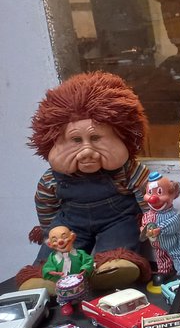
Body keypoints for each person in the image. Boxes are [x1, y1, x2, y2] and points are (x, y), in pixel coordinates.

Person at [16, 72, 152, 292]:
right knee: (58, 252)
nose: (87, 150)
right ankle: (46, 278)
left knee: (120, 241)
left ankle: (110, 268)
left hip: (117, 220)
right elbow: (45, 203)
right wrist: (50, 230)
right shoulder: (53, 178)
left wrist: (150, 221)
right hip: (71, 223)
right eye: (76, 140)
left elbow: (147, 195)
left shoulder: (126, 171)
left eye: (96, 138)